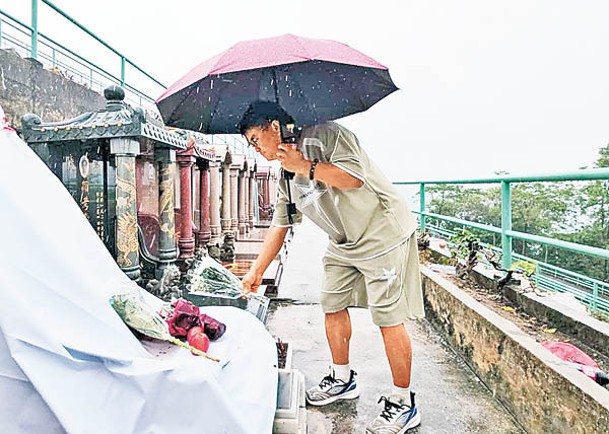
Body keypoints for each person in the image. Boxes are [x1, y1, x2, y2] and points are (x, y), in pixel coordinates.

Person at [240, 101, 424, 434]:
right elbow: (279, 226)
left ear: (273, 127)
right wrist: (256, 272)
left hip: (382, 230)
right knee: (331, 302)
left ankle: (403, 402)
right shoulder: (284, 173)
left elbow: (354, 179)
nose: (256, 150)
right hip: (343, 241)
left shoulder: (327, 135)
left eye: (255, 139)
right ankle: (342, 378)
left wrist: (305, 166)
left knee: (387, 315)